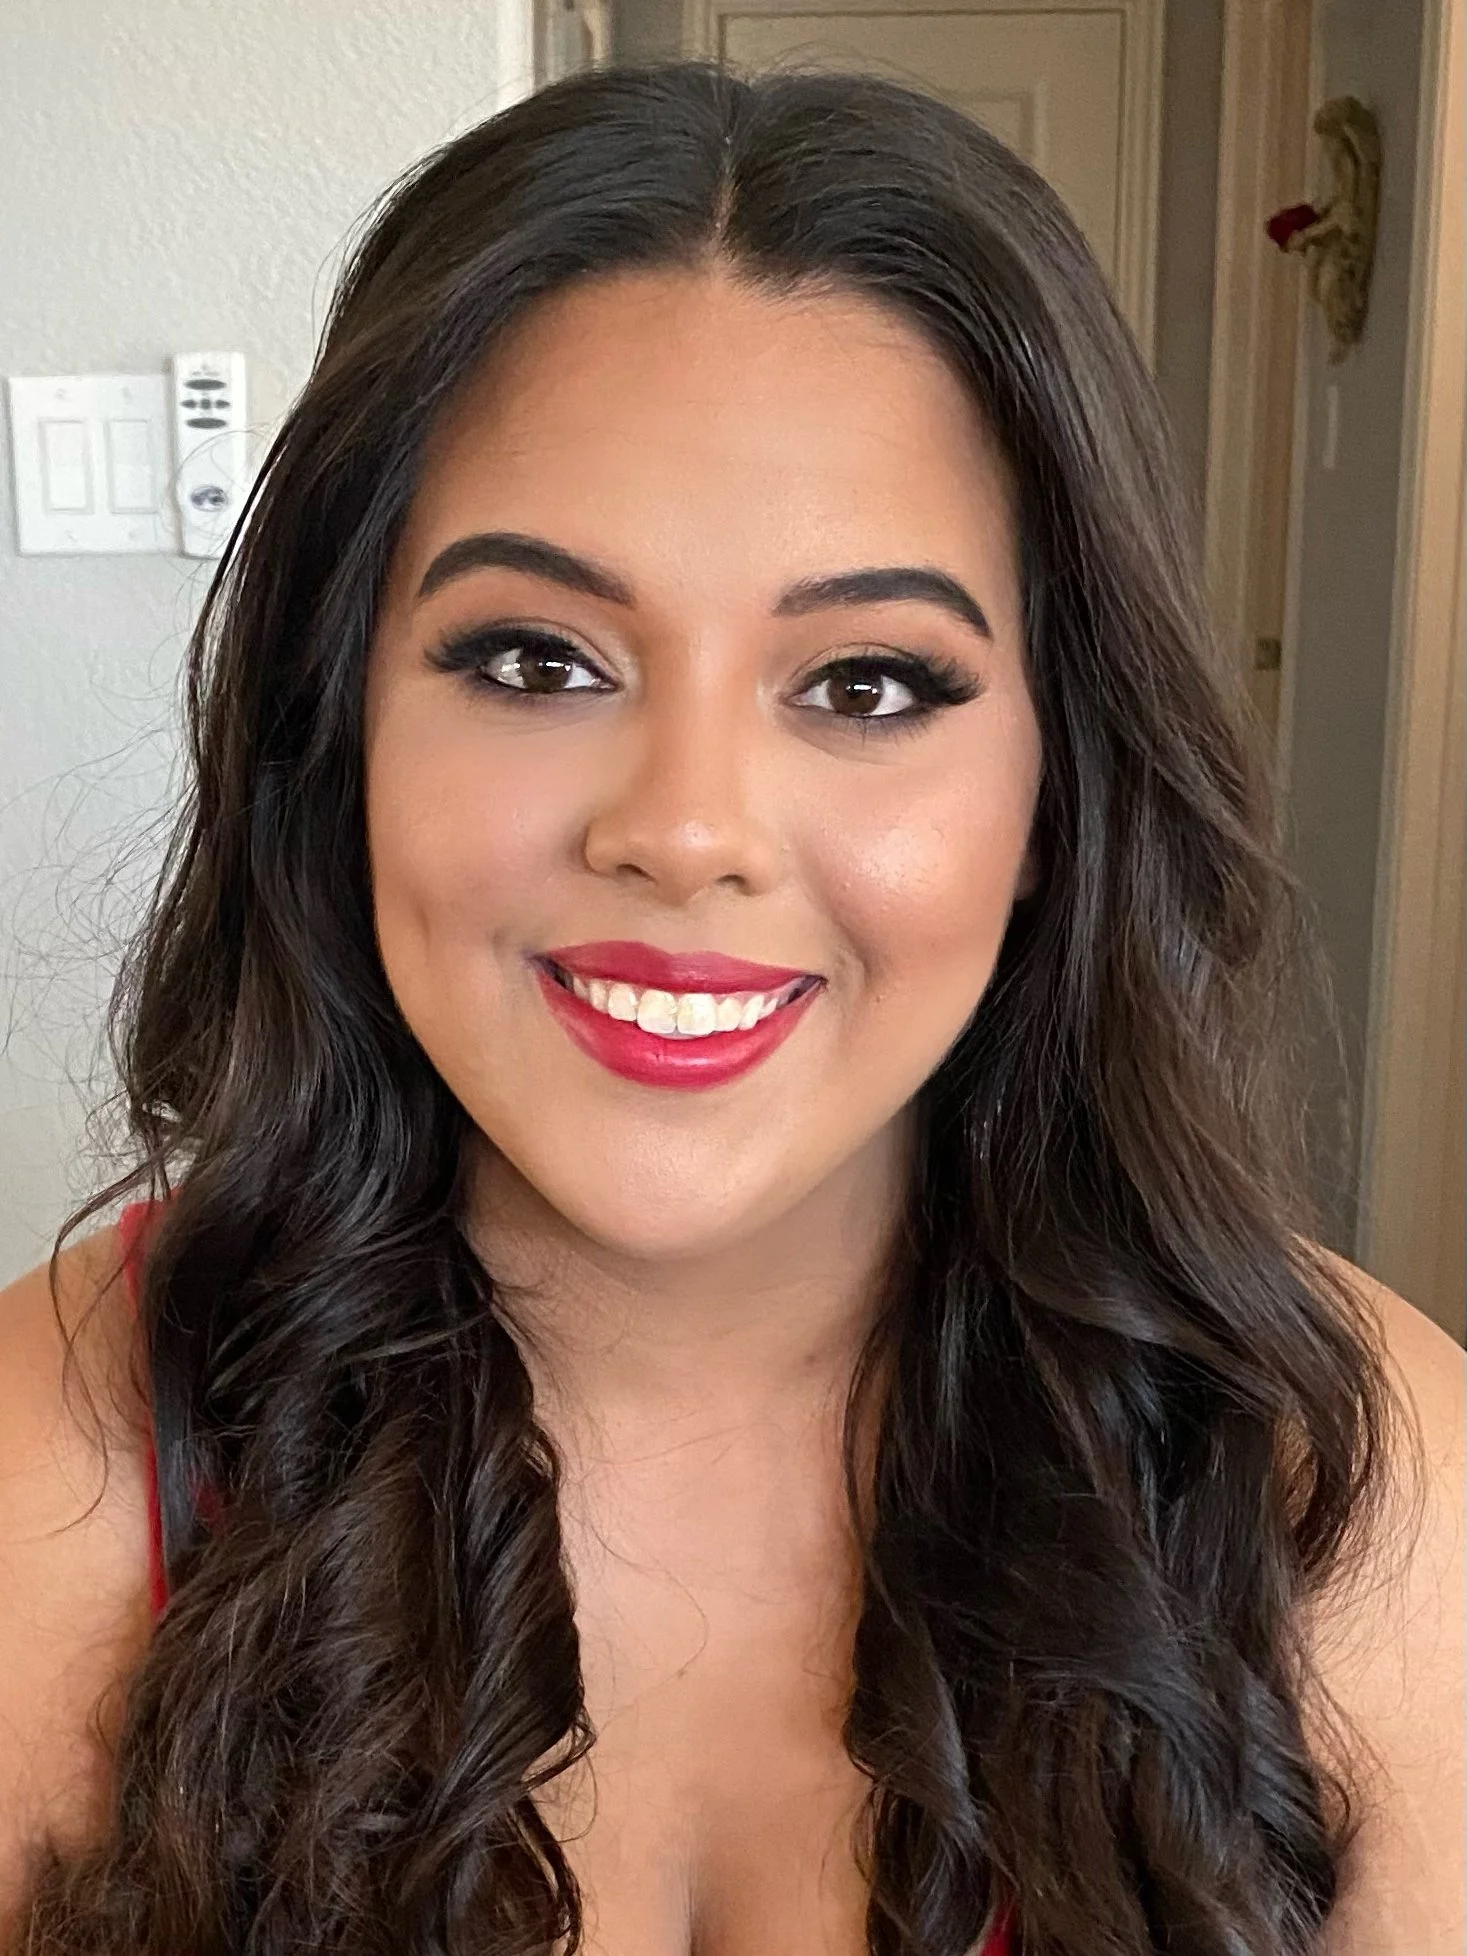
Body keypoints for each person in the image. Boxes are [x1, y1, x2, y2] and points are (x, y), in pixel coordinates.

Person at [0, 55, 1460, 1956]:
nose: (683, 832)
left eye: (865, 685)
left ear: (1055, 792)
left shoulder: (1350, 1486)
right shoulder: (57, 1466)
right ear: (337, 730)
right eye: (533, 657)